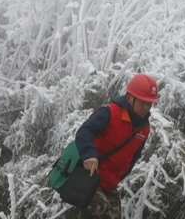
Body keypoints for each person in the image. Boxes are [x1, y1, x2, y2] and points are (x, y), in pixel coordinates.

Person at [62, 73, 159, 219]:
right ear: (129, 98)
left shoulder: (144, 129)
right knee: (98, 206)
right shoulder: (110, 113)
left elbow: (134, 156)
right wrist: (89, 155)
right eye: (142, 102)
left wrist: (118, 177)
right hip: (86, 174)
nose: (146, 107)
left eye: (149, 103)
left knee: (112, 216)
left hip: (108, 182)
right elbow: (84, 131)